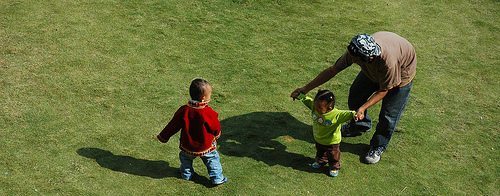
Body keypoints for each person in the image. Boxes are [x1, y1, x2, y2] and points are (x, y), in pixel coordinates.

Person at [291, 32, 416, 164]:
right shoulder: (355, 52)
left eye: (356, 60)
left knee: (389, 115)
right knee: (356, 94)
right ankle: (360, 126)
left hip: (401, 74)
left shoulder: (388, 63)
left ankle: (378, 146)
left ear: (368, 58)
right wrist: (305, 89)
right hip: (373, 69)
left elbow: (384, 90)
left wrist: (363, 108)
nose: (353, 61)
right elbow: (333, 70)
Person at [157, 78, 228, 185]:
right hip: (205, 145)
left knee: (185, 158)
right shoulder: (207, 112)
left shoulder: (184, 110)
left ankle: (186, 174)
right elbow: (215, 126)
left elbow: (173, 125)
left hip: (187, 145)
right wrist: (217, 134)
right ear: (204, 98)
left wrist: (163, 136)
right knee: (212, 159)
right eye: (210, 94)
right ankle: (217, 178)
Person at [295, 90, 356, 177]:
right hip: (318, 138)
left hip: (332, 142)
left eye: (320, 108)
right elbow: (307, 100)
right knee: (320, 152)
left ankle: (334, 167)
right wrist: (299, 96)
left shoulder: (337, 115)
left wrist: (356, 114)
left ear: (329, 107)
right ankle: (321, 161)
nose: (316, 109)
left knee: (333, 155)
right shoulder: (315, 106)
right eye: (315, 106)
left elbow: (349, 113)